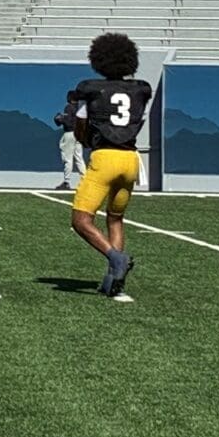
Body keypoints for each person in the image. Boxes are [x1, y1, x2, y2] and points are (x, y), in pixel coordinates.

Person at [63, 32, 150, 297]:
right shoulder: (141, 90)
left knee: (80, 220)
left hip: (105, 158)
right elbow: (137, 121)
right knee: (115, 218)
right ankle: (114, 279)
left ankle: (116, 258)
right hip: (130, 160)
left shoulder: (92, 89)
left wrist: (87, 136)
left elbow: (80, 125)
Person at [55, 113, 86, 191]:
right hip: (78, 134)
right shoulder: (80, 107)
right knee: (79, 158)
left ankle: (66, 182)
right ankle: (85, 181)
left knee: (68, 159)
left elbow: (65, 122)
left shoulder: (69, 107)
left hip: (70, 133)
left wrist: (61, 119)